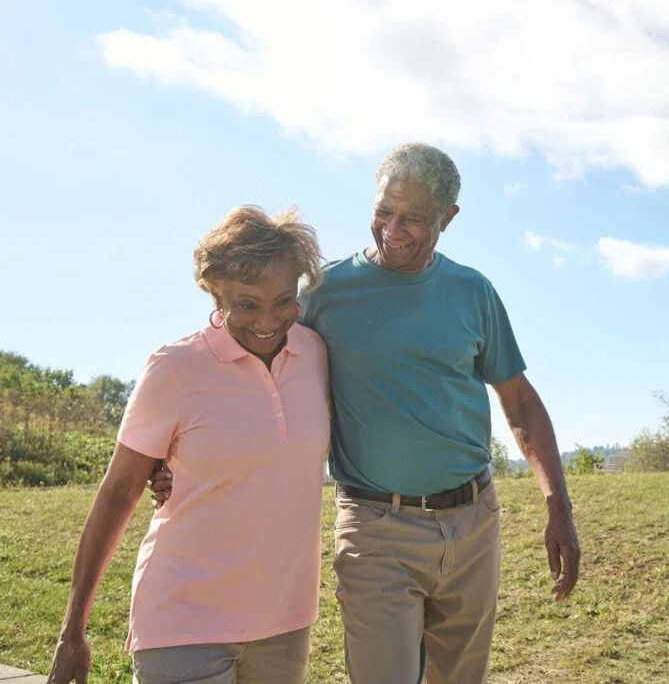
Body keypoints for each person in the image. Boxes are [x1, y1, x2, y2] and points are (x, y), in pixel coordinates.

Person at [154, 143, 581, 683]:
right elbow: (243, 352)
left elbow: (519, 401)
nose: (393, 230)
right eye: (384, 211)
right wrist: (171, 454)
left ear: (448, 218)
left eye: (414, 219)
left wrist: (558, 505)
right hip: (377, 528)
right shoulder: (326, 294)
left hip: (474, 522)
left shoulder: (474, 292)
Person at [47, 206, 331, 684]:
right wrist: (72, 630)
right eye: (246, 304)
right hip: (182, 621)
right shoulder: (175, 368)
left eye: (284, 301)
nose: (268, 321)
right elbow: (118, 492)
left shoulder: (315, 353)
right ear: (215, 293)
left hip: (284, 624)